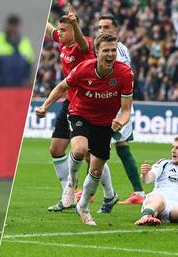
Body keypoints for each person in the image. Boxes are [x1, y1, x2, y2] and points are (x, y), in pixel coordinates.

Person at [36, 33, 134, 225]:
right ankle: (71, 184)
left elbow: (126, 109)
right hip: (79, 114)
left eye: (113, 50)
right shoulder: (83, 69)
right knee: (79, 150)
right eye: (106, 50)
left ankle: (83, 207)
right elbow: (62, 87)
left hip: (105, 123)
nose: (110, 54)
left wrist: (120, 121)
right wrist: (45, 106)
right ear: (97, 53)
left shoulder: (125, 74)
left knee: (96, 170)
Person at [44, 5, 117, 214]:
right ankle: (67, 196)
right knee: (56, 148)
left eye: (64, 30)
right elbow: (49, 29)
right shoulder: (62, 40)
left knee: (89, 155)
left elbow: (83, 43)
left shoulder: (83, 46)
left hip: (85, 103)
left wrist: (75, 23)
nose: (60, 33)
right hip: (70, 101)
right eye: (60, 30)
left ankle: (110, 194)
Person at [96, 14, 146, 205]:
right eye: (100, 27)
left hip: (116, 103)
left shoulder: (118, 49)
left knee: (103, 147)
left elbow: (121, 76)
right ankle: (139, 193)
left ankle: (138, 193)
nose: (102, 31)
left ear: (115, 31)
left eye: (106, 27)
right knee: (117, 147)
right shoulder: (98, 46)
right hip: (102, 101)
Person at [0, 14, 35, 87]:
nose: (13, 29)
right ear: (7, 26)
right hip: (0, 85)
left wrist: (26, 79)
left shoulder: (25, 42)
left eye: (15, 26)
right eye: (11, 26)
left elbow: (30, 64)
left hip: (20, 86)